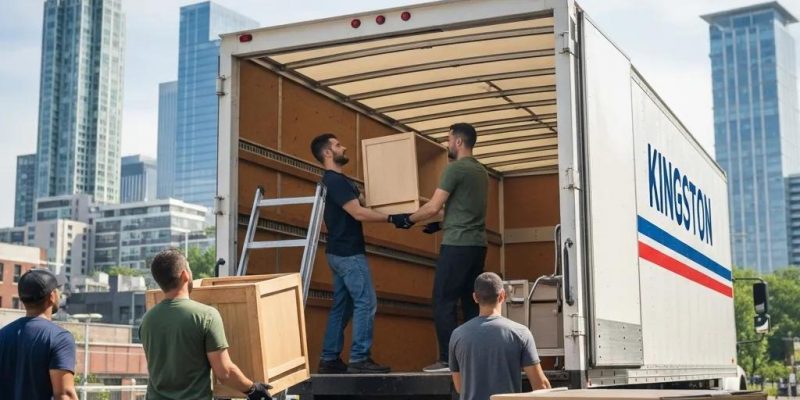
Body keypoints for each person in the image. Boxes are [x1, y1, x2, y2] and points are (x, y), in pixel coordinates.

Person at [388, 122, 489, 372]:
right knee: (470, 302)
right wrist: (441, 224)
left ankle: (448, 359)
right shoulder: (481, 172)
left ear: (458, 142)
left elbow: (433, 206)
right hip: (477, 246)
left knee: (443, 301)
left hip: (456, 244)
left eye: (449, 139)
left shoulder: (455, 169)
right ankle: (473, 358)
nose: (447, 144)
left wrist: (408, 219)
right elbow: (464, 210)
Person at [310, 133, 397, 374]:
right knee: (366, 301)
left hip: (337, 252)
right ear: (328, 153)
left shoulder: (337, 181)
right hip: (348, 253)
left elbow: (362, 203)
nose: (344, 147)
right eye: (338, 145)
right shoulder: (334, 181)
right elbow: (358, 212)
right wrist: (392, 218)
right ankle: (360, 358)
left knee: (343, 306)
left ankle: (329, 358)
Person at [139, 249, 271, 400]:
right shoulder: (206, 316)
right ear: (185, 275)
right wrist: (253, 389)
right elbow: (225, 372)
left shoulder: (147, 320)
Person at [449, 272, 551, 400]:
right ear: (502, 295)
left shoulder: (457, 335)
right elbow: (541, 385)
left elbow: (459, 387)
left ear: (475, 297)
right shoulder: (520, 333)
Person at [0, 269, 78, 400]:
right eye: (57, 290)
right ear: (52, 296)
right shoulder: (59, 338)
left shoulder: (2, 335)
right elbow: (65, 395)